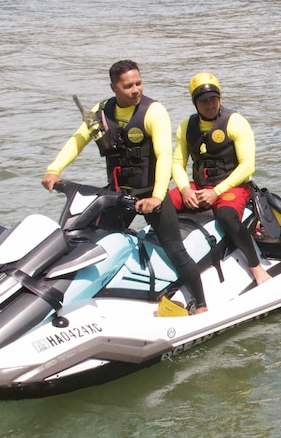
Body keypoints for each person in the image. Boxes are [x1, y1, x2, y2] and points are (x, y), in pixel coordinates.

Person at [41, 60, 207, 312]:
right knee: (93, 244)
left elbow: (164, 155)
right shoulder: (102, 112)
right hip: (119, 196)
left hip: (152, 195)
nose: (136, 90)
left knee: (176, 250)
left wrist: (158, 197)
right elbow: (77, 140)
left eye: (139, 83)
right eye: (128, 86)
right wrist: (54, 169)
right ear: (113, 87)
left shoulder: (154, 112)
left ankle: (202, 305)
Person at [170, 73, 272, 288]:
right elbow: (177, 163)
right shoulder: (186, 127)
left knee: (226, 216)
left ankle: (256, 267)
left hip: (232, 187)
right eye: (203, 101)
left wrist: (216, 192)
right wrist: (184, 190)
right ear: (195, 103)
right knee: (162, 203)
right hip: (197, 187)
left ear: (220, 98)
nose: (210, 105)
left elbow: (247, 166)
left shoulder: (235, 122)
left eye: (213, 99)